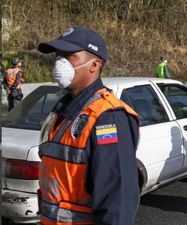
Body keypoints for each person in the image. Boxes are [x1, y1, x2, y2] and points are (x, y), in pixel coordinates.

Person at [37, 26, 141, 225]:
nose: (60, 62)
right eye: (58, 55)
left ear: (94, 65)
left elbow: (117, 203)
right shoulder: (63, 110)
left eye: (69, 55)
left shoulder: (108, 117)